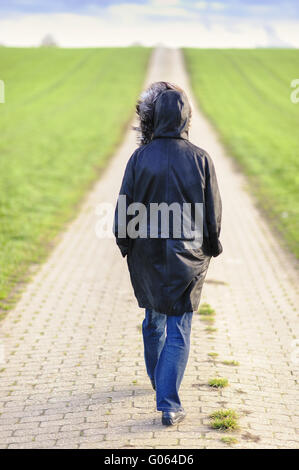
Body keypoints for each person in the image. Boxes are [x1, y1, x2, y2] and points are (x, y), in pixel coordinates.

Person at [113, 81, 222, 426]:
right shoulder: (201, 158)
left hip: (145, 257)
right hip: (187, 259)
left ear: (155, 118)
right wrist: (212, 245)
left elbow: (123, 211)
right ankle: (169, 402)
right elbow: (212, 214)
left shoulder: (139, 158)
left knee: (153, 320)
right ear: (186, 118)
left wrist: (124, 244)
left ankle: (159, 382)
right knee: (179, 327)